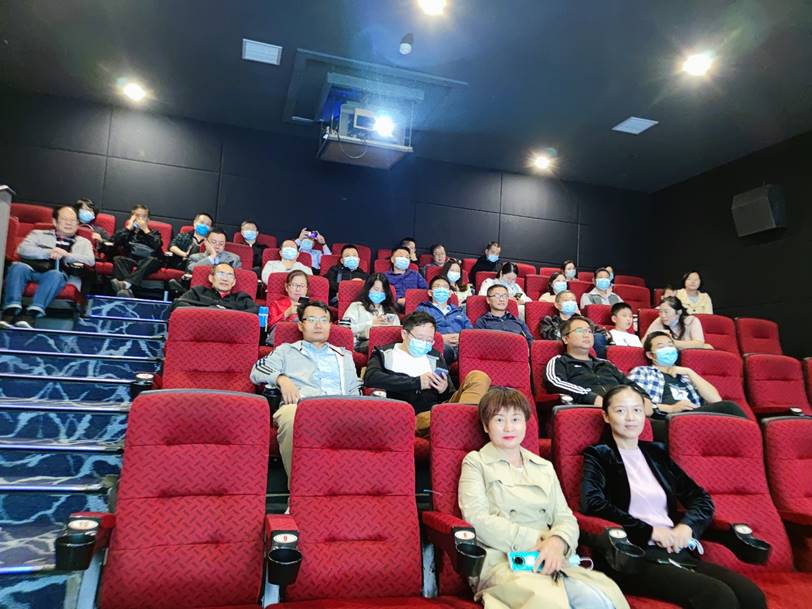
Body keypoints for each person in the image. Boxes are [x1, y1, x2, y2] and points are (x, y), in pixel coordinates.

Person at [580, 385, 766, 609]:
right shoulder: (599, 455)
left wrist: (687, 527)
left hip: (674, 549)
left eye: (637, 410)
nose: (630, 418)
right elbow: (593, 504)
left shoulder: (656, 453)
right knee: (718, 596)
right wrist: (648, 531)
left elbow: (700, 498)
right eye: (620, 411)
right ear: (606, 416)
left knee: (751, 595)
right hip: (631, 556)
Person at [459, 386, 629, 609]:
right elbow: (477, 519)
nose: (508, 427)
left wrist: (558, 541)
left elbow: (565, 517)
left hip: (552, 557)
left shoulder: (544, 466)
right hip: (503, 561)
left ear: (525, 423)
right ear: (485, 426)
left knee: (604, 598)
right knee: (552, 602)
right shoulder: (476, 462)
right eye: (499, 420)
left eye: (516, 419)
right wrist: (540, 542)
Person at [250, 300, 360, 481]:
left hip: (340, 408)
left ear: (330, 325)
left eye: (324, 320)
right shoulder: (286, 350)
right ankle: (301, 489)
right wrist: (281, 379)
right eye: (312, 320)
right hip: (300, 407)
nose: (318, 325)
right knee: (293, 418)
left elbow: (354, 389)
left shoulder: (343, 355)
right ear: (301, 325)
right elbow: (257, 370)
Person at [364, 311, 491, 435]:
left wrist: (444, 389)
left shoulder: (435, 356)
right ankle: (465, 425)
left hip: (438, 412)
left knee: (478, 377)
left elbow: (449, 395)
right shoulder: (384, 353)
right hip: (409, 416)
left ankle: (461, 421)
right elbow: (371, 378)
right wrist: (417, 382)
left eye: (429, 340)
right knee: (433, 418)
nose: (424, 343)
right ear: (404, 334)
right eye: (420, 338)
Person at [1, 206, 95, 328]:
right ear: (55, 221)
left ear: (78, 223)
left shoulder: (83, 242)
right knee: (17, 267)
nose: (69, 223)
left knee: (55, 275)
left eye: (73, 220)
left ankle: (31, 315)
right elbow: (22, 250)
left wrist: (66, 255)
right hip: (31, 268)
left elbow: (90, 261)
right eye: (64, 219)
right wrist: (49, 252)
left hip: (56, 274)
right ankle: (10, 311)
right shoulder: (38, 234)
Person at [544, 316, 652, 413]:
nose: (586, 334)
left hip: (623, 411)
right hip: (588, 410)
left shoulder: (605, 363)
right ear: (565, 339)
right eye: (580, 330)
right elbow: (555, 383)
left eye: (589, 331)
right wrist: (591, 397)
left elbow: (628, 383)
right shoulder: (559, 361)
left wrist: (643, 397)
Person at [628, 331, 746, 418]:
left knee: (729, 413)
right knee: (729, 408)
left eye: (670, 345)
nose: (668, 349)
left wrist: (690, 372)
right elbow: (632, 403)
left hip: (696, 416)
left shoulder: (685, 375)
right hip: (667, 418)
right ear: (650, 355)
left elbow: (716, 400)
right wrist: (671, 408)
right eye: (661, 347)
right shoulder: (642, 372)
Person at [109, 204, 163, 298]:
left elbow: (157, 245)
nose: (140, 219)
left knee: (152, 260)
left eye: (144, 216)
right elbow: (114, 241)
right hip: (132, 259)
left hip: (149, 260)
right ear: (132, 218)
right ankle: (126, 291)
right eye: (137, 216)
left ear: (148, 220)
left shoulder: (154, 233)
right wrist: (128, 228)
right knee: (118, 259)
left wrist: (146, 230)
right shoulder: (127, 232)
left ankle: (126, 285)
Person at [415, 275, 472, 364]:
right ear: (430, 293)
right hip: (437, 346)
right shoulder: (423, 309)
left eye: (445, 287)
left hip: (462, 346)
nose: (441, 289)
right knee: (443, 350)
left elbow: (470, 331)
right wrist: (439, 339)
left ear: (449, 293)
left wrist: (461, 338)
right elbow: (418, 331)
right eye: (437, 286)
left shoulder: (458, 311)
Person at [341, 273, 400, 353]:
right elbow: (344, 329)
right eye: (376, 289)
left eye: (383, 291)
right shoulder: (356, 306)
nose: (379, 293)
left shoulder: (390, 310)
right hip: (362, 342)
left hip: (387, 343)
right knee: (380, 346)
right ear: (368, 289)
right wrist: (371, 324)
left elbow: (397, 332)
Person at [541, 291, 610, 357]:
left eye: (573, 300)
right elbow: (551, 336)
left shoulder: (584, 321)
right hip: (564, 352)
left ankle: (599, 362)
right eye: (566, 300)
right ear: (557, 305)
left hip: (587, 352)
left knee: (598, 337)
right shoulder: (549, 321)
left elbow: (603, 333)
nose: (570, 303)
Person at [170, 262, 258, 313]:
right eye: (221, 274)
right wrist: (211, 310)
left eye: (229, 275)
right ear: (211, 278)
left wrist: (227, 314)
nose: (225, 279)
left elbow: (256, 311)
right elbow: (177, 304)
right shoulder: (198, 291)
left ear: (234, 282)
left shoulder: (241, 298)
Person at [643, 296, 711, 350]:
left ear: (679, 312)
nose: (663, 315)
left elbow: (699, 343)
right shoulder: (659, 321)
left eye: (666, 312)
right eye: (660, 312)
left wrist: (672, 343)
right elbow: (644, 343)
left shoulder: (692, 321)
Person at [265, 270, 309, 341]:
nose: (298, 289)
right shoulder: (276, 304)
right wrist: (286, 313)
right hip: (281, 340)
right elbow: (269, 327)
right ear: (287, 287)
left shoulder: (312, 307)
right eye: (294, 285)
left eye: (302, 286)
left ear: (306, 289)